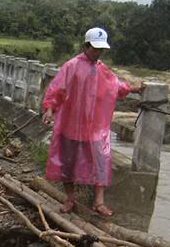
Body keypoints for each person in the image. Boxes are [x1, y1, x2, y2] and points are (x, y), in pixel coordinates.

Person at [42, 27, 145, 216]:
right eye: (95, 49)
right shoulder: (71, 66)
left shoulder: (102, 69)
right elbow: (56, 89)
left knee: (101, 160)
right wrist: (49, 109)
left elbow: (116, 87)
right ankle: (70, 198)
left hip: (94, 128)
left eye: (100, 50)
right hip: (70, 125)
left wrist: (133, 88)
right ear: (86, 46)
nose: (98, 53)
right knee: (68, 163)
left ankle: (99, 202)